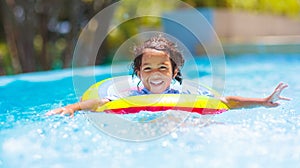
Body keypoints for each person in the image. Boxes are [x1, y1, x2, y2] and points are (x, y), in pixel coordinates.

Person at [46, 34, 290, 117]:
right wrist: (73, 108)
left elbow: (226, 101)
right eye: (147, 69)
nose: (155, 74)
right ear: (138, 72)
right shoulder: (131, 94)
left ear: (174, 72)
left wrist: (261, 101)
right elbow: (101, 102)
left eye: (163, 68)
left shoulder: (184, 93)